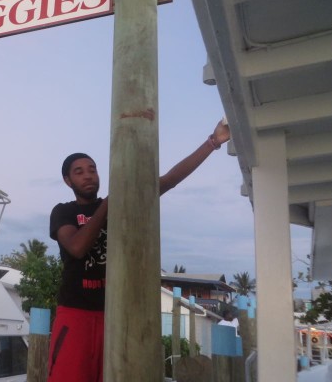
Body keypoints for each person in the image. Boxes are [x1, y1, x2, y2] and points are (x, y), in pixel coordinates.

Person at [47, 119, 230, 382]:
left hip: (117, 315)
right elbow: (77, 247)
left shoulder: (120, 201)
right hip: (76, 314)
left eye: (92, 169)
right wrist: (108, 204)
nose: (88, 175)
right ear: (68, 180)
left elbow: (168, 181)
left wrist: (212, 142)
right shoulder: (64, 211)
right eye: (79, 172)